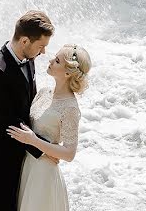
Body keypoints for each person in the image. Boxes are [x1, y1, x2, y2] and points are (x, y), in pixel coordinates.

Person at [0, 10, 54, 211]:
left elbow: (29, 105)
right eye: (41, 46)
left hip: (20, 155)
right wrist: (46, 148)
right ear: (25, 41)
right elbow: (8, 123)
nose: (43, 52)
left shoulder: (29, 59)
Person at [7, 44, 92, 211]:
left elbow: (69, 153)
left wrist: (34, 141)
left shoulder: (70, 109)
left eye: (57, 60)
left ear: (68, 73)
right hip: (27, 166)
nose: (51, 60)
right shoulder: (44, 92)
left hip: (43, 174)